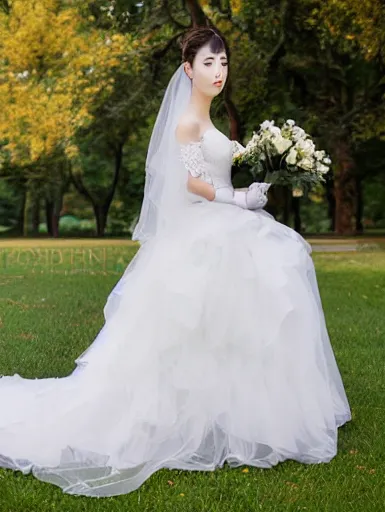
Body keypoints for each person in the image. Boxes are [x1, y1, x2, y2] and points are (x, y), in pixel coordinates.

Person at [0, 26, 351, 498]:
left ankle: (243, 411)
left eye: (223, 62)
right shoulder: (187, 121)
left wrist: (269, 168)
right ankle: (199, 414)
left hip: (223, 221)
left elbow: (219, 164)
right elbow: (193, 183)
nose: (218, 71)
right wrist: (239, 198)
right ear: (188, 70)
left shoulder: (212, 123)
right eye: (208, 63)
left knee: (269, 281)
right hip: (204, 226)